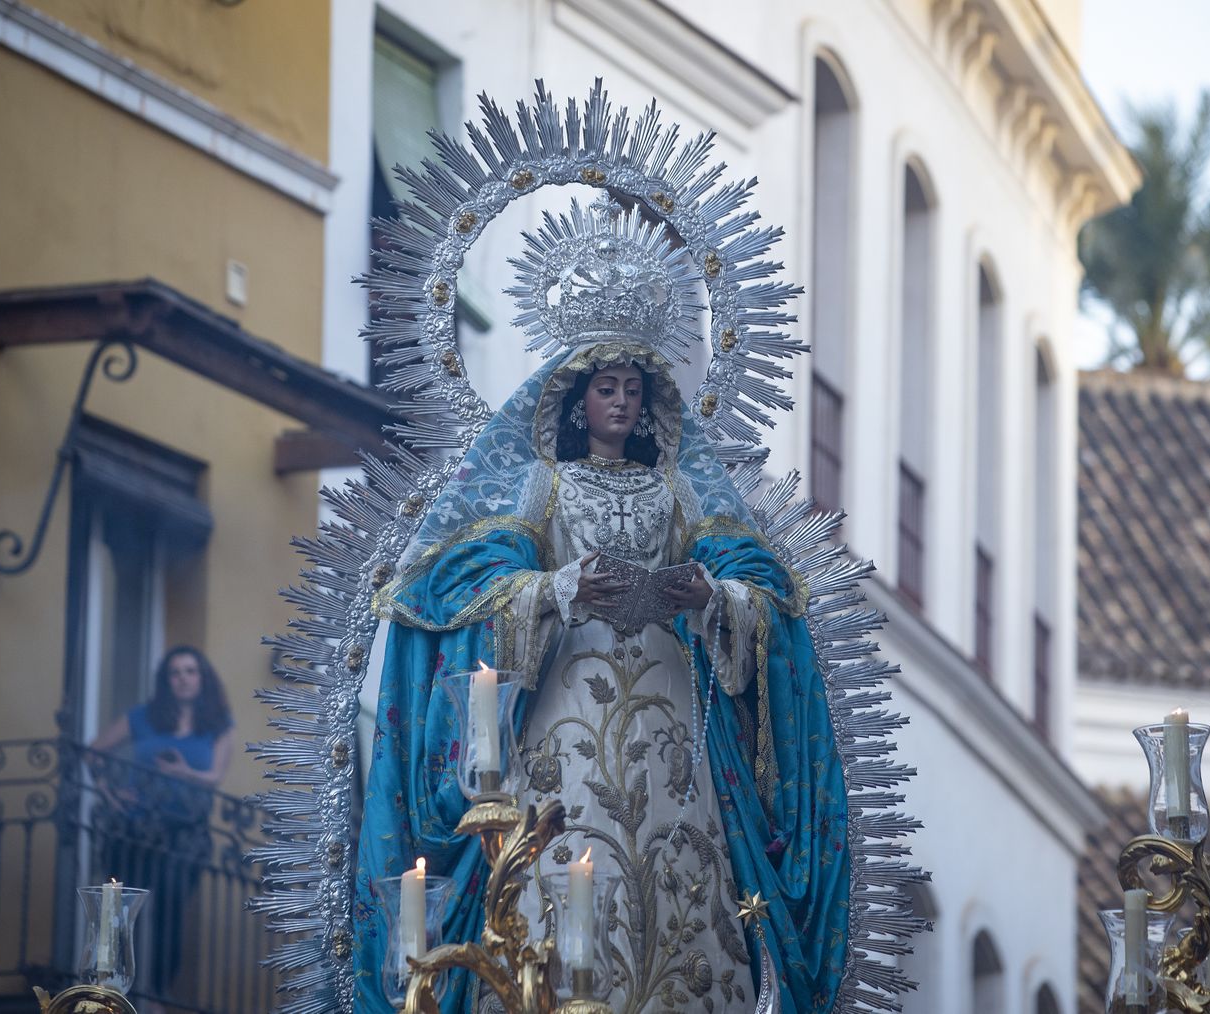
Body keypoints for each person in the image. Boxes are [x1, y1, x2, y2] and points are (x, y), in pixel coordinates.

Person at [354, 199, 850, 1013]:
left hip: (671, 732)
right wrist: (556, 590)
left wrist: (713, 596)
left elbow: (762, 588)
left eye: (632, 389)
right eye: (606, 388)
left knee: (685, 898)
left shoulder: (683, 492)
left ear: (651, 402)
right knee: (559, 874)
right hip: (563, 724)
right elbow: (468, 582)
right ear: (576, 398)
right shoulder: (541, 487)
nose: (620, 402)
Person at [90, 645, 233, 1009]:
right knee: (120, 912)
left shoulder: (217, 724)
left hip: (185, 834)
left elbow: (214, 776)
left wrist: (184, 772)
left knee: (170, 915)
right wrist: (109, 791)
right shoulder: (144, 717)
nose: (183, 679)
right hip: (135, 828)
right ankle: (110, 993)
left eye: (190, 671)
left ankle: (155, 997)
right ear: (166, 680)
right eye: (175, 672)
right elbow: (94, 751)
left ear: (202, 678)